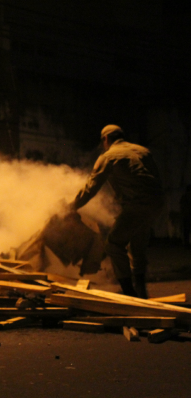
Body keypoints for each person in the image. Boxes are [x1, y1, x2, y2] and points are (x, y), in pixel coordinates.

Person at [70, 125, 164, 298]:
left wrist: (71, 206)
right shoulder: (143, 151)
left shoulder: (108, 157)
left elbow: (91, 188)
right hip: (157, 203)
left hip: (137, 204)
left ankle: (129, 294)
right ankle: (141, 292)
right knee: (137, 247)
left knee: (114, 244)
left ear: (105, 139)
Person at [181, 185, 191, 249]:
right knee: (187, 231)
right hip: (188, 215)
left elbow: (182, 207)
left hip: (186, 216)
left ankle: (186, 244)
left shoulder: (184, 197)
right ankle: (186, 244)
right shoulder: (185, 197)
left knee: (186, 231)